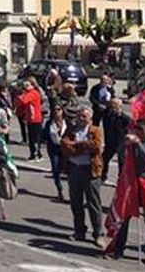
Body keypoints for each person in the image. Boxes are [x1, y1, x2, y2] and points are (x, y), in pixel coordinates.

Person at [104, 119, 145, 266]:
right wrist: (126, 145)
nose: (137, 131)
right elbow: (122, 157)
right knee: (124, 216)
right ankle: (118, 249)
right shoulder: (130, 142)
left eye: (141, 129)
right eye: (136, 128)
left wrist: (138, 144)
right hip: (131, 183)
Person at [61, 107, 105, 248]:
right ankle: (79, 230)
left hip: (90, 171)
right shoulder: (71, 130)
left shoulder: (96, 130)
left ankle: (98, 234)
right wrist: (82, 148)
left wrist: (76, 145)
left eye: (84, 116)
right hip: (74, 169)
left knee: (94, 203)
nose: (81, 119)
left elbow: (96, 147)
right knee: (76, 202)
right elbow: (65, 145)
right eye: (79, 116)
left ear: (90, 118)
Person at [101, 97, 130, 184]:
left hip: (121, 142)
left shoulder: (125, 118)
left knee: (122, 161)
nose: (112, 107)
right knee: (104, 159)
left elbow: (128, 130)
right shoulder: (107, 115)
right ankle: (103, 176)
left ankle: (121, 179)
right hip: (110, 141)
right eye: (111, 105)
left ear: (119, 106)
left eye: (114, 105)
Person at [42, 105, 67, 201]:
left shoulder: (67, 122)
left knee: (63, 167)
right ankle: (59, 189)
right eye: (55, 110)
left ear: (62, 111)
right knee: (55, 168)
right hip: (53, 148)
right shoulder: (49, 123)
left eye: (59, 109)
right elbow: (44, 135)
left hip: (64, 148)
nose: (56, 111)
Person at [17, 77, 44, 161]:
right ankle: (33, 154)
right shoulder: (28, 93)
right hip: (30, 118)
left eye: (27, 85)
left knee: (35, 138)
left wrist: (19, 95)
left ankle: (37, 154)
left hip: (35, 119)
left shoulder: (33, 93)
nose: (25, 87)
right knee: (31, 138)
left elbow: (23, 101)